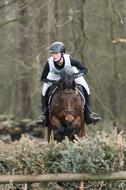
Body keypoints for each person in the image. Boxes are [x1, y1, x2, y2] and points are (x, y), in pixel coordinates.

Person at [36, 42, 101, 126]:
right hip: (54, 76)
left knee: (86, 89)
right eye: (52, 53)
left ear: (62, 53)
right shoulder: (49, 62)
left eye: (56, 53)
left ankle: (88, 114)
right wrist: (53, 82)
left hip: (72, 75)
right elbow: (43, 78)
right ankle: (44, 115)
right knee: (44, 91)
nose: (54, 56)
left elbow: (85, 69)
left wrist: (76, 75)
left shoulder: (70, 60)